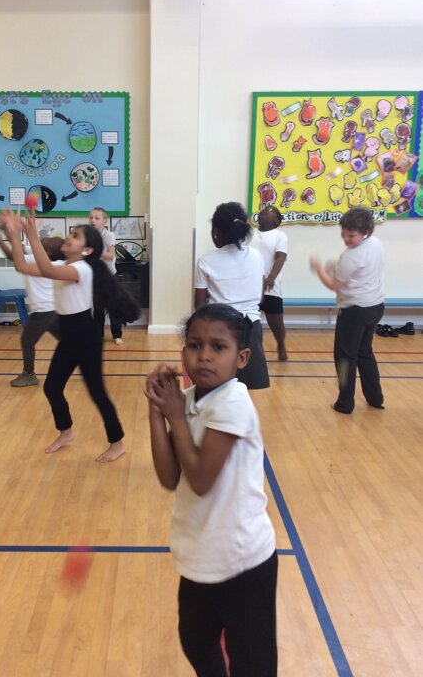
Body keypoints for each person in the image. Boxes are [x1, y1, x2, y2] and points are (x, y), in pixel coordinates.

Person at [145, 303, 277, 677]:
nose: (204, 355)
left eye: (218, 347)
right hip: (201, 553)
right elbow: (170, 477)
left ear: (242, 357)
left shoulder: (233, 402)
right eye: (194, 345)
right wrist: (157, 411)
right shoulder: (188, 401)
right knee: (196, 641)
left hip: (243, 560)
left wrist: (174, 415)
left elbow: (201, 480)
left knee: (253, 664)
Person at [0, 210, 139, 462]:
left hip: (85, 335)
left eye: (75, 236)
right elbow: (20, 265)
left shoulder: (82, 269)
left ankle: (117, 443)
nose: (69, 237)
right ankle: (66, 432)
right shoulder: (62, 266)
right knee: (52, 387)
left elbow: (45, 269)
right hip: (68, 335)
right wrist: (15, 234)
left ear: (87, 250)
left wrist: (31, 235)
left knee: (97, 392)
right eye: (71, 234)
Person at [309, 206, 385, 414]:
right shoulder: (376, 243)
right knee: (365, 353)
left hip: (355, 311)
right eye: (343, 234)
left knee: (345, 358)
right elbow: (361, 270)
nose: (346, 239)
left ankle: (344, 403)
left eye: (351, 236)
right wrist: (336, 266)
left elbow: (334, 285)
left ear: (365, 232)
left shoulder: (350, 256)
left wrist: (319, 269)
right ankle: (375, 398)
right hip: (375, 307)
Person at [194, 201, 269, 389]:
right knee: (245, 389)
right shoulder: (256, 256)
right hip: (252, 327)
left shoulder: (206, 260)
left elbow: (199, 305)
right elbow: (261, 298)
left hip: (220, 329)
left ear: (215, 232)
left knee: (216, 388)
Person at [0, 222, 61, 387]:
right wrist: (5, 232)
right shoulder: (49, 260)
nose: (43, 240)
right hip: (53, 310)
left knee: (27, 341)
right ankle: (87, 363)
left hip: (42, 312)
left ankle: (29, 374)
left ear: (47, 252)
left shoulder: (37, 262)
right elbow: (18, 247)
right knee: (67, 342)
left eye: (46, 242)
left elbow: (12, 255)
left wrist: (0, 234)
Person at [252, 206, 289, 361]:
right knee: (251, 323)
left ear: (276, 221)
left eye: (269, 210)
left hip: (270, 287)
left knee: (276, 324)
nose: (263, 211)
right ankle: (256, 353)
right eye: (263, 209)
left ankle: (280, 343)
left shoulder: (280, 236)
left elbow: (280, 257)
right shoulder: (250, 234)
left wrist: (271, 277)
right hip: (251, 287)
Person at [88, 206, 124, 344]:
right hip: (96, 276)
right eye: (91, 217)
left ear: (104, 221)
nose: (93, 220)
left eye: (97, 218)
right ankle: (98, 335)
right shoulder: (89, 236)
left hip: (109, 277)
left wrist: (94, 252)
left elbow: (110, 255)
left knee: (113, 307)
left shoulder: (108, 235)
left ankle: (117, 335)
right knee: (98, 308)